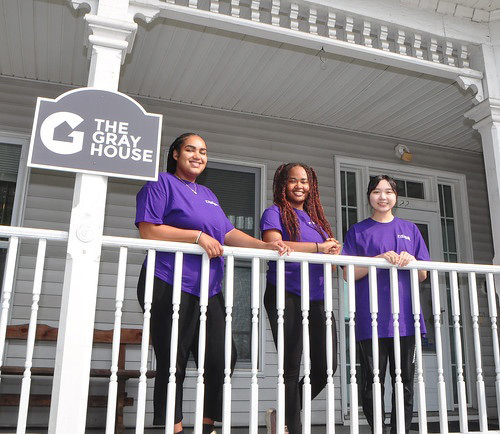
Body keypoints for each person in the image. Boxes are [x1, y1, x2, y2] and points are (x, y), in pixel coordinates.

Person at [135, 133, 291, 434]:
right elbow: (149, 230)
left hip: (209, 287)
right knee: (173, 361)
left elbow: (228, 233)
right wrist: (196, 236)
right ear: (176, 154)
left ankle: (207, 426)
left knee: (221, 357)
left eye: (203, 151)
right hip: (169, 280)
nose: (198, 155)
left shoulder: (208, 195)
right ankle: (175, 427)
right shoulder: (160, 183)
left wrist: (264, 246)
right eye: (191, 149)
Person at [341, 175, 430, 434]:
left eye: (388, 192)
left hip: (405, 320)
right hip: (371, 320)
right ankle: (378, 429)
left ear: (395, 197)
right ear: (369, 196)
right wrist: (377, 259)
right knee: (372, 382)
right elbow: (348, 273)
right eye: (377, 191)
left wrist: (410, 259)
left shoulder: (410, 229)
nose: (383, 197)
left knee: (404, 383)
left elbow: (423, 274)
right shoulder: (358, 231)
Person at [260, 163, 341, 434]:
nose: (299, 186)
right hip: (286, 293)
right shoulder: (274, 213)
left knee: (327, 367)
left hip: (318, 297)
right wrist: (319, 248)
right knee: (291, 366)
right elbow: (275, 245)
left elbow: (327, 264)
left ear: (311, 185)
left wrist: (331, 254)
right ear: (283, 184)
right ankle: (291, 427)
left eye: (304, 181)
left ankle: (281, 415)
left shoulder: (316, 221)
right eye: (293, 180)